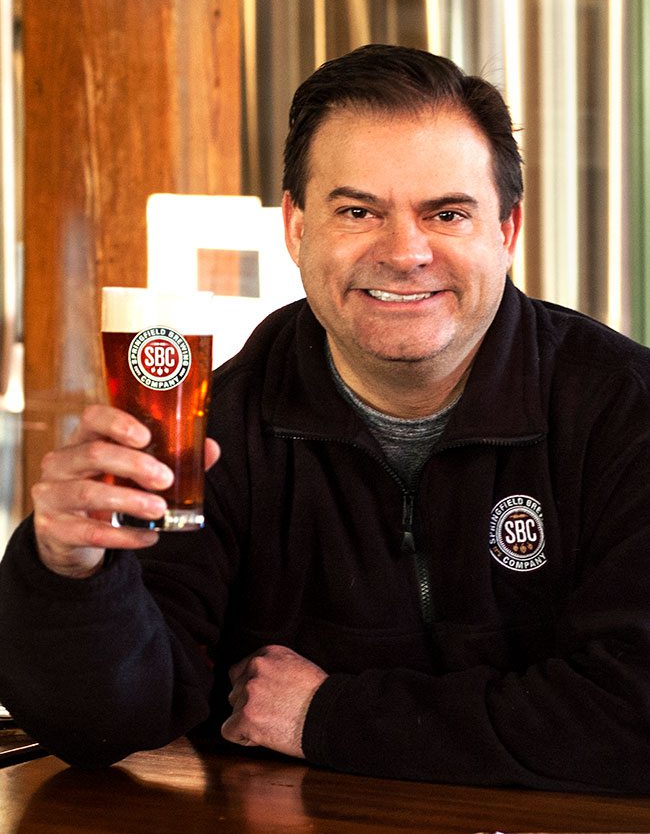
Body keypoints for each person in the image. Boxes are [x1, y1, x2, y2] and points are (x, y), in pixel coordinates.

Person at [1, 43, 650, 792]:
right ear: (296, 229)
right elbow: (107, 722)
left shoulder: (624, 413)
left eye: (446, 212)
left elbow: (633, 715)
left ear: (505, 232)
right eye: (357, 211)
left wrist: (327, 715)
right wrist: (70, 570)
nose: (405, 252)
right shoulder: (218, 425)